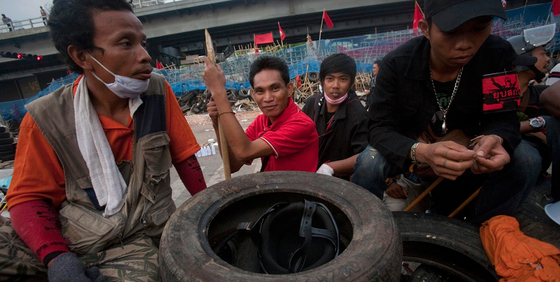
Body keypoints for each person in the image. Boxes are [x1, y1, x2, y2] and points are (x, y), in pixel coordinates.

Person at [0, 0, 206, 280]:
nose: (145, 55)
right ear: (82, 56)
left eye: (142, 43)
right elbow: (28, 199)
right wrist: (59, 260)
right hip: (73, 235)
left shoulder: (157, 93)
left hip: (139, 238)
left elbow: (185, 160)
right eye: (126, 43)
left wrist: (211, 215)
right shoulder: (45, 118)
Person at [351, 0, 540, 224]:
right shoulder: (396, 64)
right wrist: (421, 152)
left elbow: (504, 118)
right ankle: (365, 230)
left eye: (480, 28)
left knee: (528, 160)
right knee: (369, 162)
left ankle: (484, 229)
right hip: (411, 149)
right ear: (425, 29)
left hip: (470, 146)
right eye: (451, 31)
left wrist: (495, 139)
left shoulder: (498, 54)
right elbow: (379, 128)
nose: (465, 44)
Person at [204, 56, 319, 173]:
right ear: (253, 94)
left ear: (289, 89)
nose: (268, 98)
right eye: (260, 91)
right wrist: (217, 123)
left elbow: (244, 152)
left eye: (275, 88)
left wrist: (219, 93)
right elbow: (233, 165)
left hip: (296, 190)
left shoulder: (301, 124)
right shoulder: (261, 122)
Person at [508, 26, 560, 203]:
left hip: (538, 157)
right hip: (502, 145)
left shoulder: (540, 94)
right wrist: (538, 123)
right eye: (543, 54)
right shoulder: (496, 91)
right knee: (527, 158)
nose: (548, 59)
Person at [301, 53, 370, 180]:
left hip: (340, 181)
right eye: (330, 79)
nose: (335, 85)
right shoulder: (312, 103)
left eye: (343, 79)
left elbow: (366, 156)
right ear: (321, 81)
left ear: (351, 83)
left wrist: (331, 167)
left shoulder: (358, 114)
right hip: (308, 174)